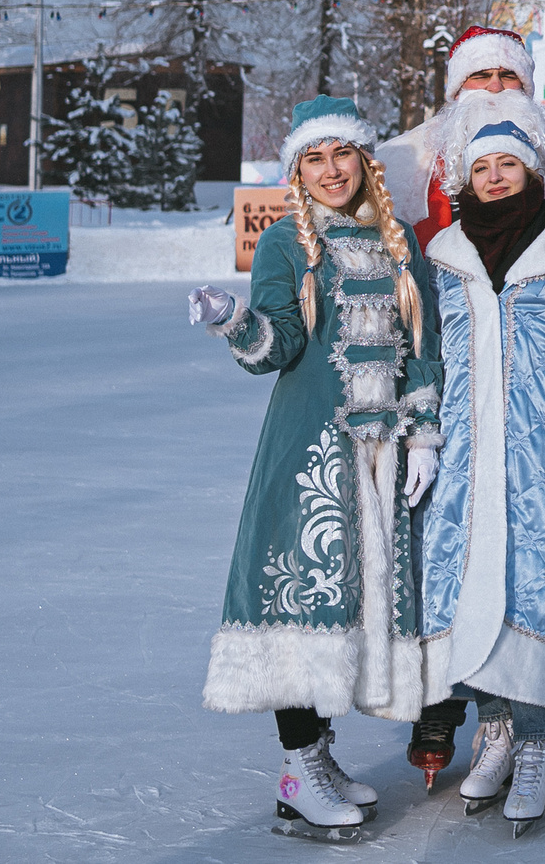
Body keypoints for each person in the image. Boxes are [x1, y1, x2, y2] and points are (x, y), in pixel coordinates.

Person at [188, 96, 438, 841]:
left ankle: (321, 757)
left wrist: (423, 434)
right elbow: (279, 347)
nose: (331, 171)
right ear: (297, 169)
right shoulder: (286, 246)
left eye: (342, 155)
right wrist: (235, 321)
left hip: (385, 456)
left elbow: (425, 348)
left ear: (365, 160)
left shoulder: (398, 241)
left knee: (351, 607)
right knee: (304, 600)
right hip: (310, 458)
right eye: (314, 159)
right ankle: (298, 768)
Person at [418, 115, 545, 832]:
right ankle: (495, 728)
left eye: (508, 165)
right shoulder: (442, 255)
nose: (494, 177)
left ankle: (535, 743)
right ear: (465, 180)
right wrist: (422, 439)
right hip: (465, 459)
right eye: (482, 167)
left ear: (533, 173)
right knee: (473, 589)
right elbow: (431, 355)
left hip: (540, 458)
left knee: (537, 593)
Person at [376, 25, 545, 252]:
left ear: (524, 86)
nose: (495, 86)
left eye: (508, 75)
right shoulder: (400, 159)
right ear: (459, 88)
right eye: (481, 75)